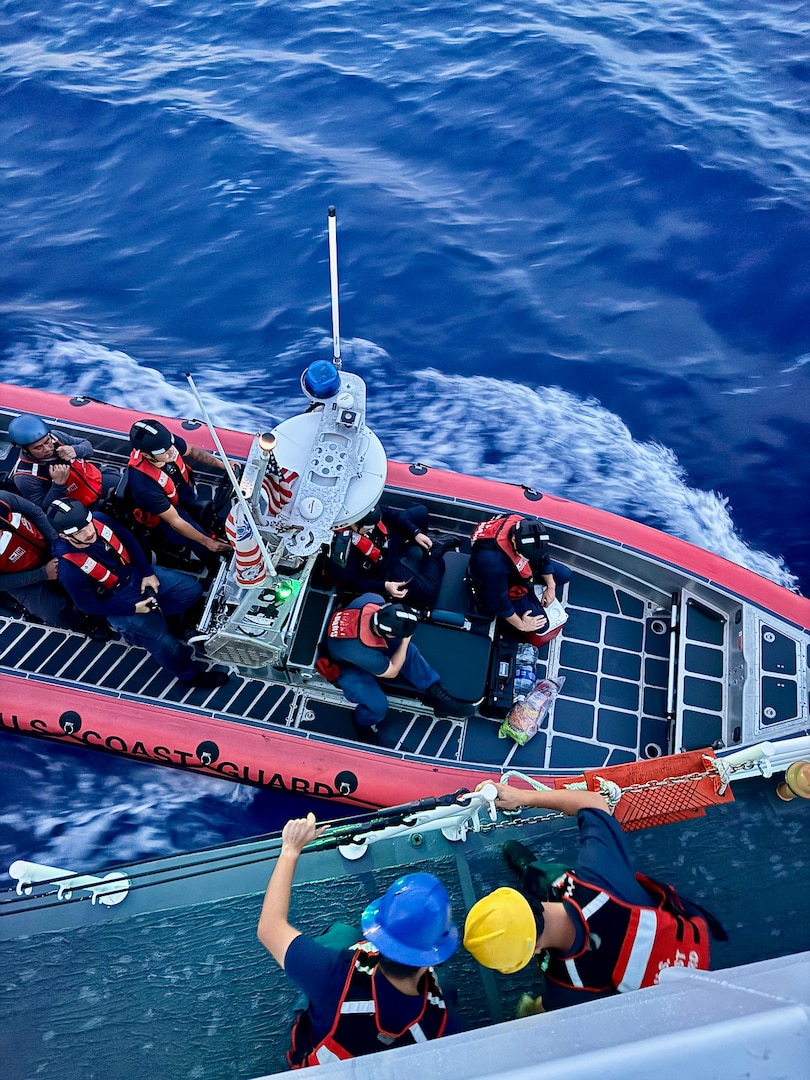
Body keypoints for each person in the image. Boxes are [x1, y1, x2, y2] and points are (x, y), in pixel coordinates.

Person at [462, 784, 726, 1012]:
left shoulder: (563, 990)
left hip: (662, 988)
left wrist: (531, 1010)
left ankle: (531, 871)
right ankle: (533, 870)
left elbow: (546, 1011)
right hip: (684, 939)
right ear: (521, 899)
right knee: (560, 877)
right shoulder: (601, 878)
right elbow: (593, 801)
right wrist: (521, 797)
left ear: (533, 952)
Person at [257, 812, 461, 1067]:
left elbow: (269, 927)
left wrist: (290, 848)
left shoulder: (333, 976)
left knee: (342, 934)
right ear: (434, 953)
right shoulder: (440, 1020)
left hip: (318, 1059)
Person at [49, 497, 229, 689]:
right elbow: (87, 605)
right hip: (117, 600)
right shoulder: (70, 570)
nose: (88, 532)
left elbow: (126, 538)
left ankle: (159, 619)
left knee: (191, 590)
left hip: (136, 575)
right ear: (66, 537)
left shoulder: (99, 520)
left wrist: (146, 572)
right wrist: (133, 608)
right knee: (165, 643)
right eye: (80, 532)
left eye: (87, 525)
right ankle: (189, 676)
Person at [321, 592, 472, 738]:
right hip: (344, 663)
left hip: (356, 639)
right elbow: (392, 671)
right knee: (378, 706)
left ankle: (437, 694)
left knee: (407, 651)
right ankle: (362, 723)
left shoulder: (373, 599)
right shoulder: (364, 654)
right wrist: (405, 641)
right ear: (388, 633)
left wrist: (403, 643)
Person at [127, 418, 232, 561]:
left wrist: (224, 465)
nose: (172, 451)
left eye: (170, 445)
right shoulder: (144, 485)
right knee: (199, 540)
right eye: (164, 451)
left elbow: (194, 451)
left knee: (205, 514)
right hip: (165, 511)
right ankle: (211, 561)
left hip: (181, 492)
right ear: (146, 455)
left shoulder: (166, 444)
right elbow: (176, 521)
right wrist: (207, 542)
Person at [325, 503, 457, 608]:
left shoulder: (364, 505)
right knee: (429, 593)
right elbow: (353, 582)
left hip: (388, 540)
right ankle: (435, 550)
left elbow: (392, 515)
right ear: (353, 523)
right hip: (383, 568)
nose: (371, 529)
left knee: (421, 511)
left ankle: (421, 539)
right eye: (367, 528)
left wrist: (415, 532)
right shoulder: (340, 552)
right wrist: (384, 586)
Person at [467, 514, 571, 642]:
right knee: (542, 625)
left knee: (565, 574)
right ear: (514, 540)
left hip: (517, 571)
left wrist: (551, 586)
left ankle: (531, 592)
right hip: (495, 584)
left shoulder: (525, 527)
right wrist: (521, 625)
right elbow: (498, 601)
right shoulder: (492, 561)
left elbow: (542, 557)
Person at [0, 491, 90, 633]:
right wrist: (43, 574)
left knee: (85, 566)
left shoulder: (2, 499)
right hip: (19, 577)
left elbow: (34, 511)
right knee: (54, 612)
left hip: (48, 544)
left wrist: (58, 546)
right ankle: (83, 626)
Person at [7, 413, 116, 511]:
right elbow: (44, 509)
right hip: (78, 506)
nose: (47, 449)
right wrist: (59, 484)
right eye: (38, 448)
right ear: (25, 449)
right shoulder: (24, 476)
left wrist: (75, 450)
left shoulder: (56, 437)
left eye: (47, 442)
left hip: (96, 479)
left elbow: (87, 447)